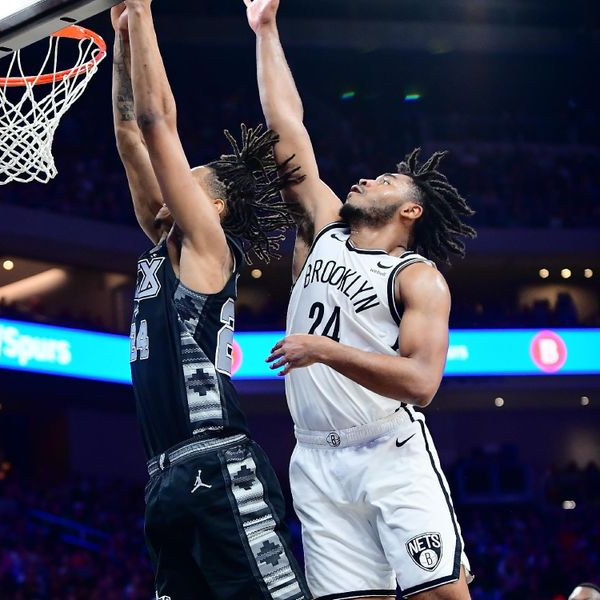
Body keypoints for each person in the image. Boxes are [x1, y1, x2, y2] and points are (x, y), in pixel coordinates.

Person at [244, 1, 477, 598]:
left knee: (442, 597)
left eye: (387, 181)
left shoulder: (416, 277)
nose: (367, 179)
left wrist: (325, 350)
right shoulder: (323, 226)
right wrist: (266, 30)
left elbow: (423, 383)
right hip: (314, 459)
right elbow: (286, 129)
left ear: (410, 211)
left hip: (388, 448)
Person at [110, 2, 310, 598]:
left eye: (187, 178)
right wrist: (121, 32)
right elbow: (128, 133)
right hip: (164, 476)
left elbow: (154, 124)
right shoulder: (162, 242)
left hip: (219, 466)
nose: (171, 180)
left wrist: (144, 13)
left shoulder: (206, 246)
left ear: (214, 208)